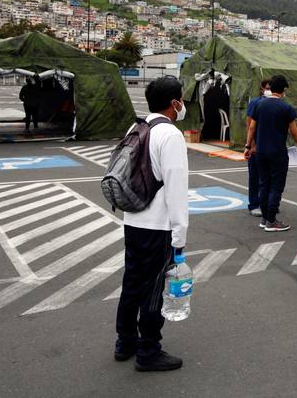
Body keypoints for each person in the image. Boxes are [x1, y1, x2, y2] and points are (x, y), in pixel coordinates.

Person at [115, 76, 189, 372]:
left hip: (132, 219)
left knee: (132, 282)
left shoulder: (137, 127)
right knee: (154, 289)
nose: (183, 105)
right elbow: (176, 189)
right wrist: (180, 235)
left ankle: (125, 341)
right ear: (174, 103)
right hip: (159, 227)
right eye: (182, 99)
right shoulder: (170, 135)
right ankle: (149, 350)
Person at [243, 74, 297, 232]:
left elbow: (252, 127)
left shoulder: (259, 105)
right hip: (277, 152)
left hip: (261, 151)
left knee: (263, 183)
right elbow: (294, 132)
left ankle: (265, 218)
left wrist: (247, 146)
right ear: (283, 90)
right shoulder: (286, 108)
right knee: (276, 186)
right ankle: (272, 220)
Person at [244, 79, 272, 217]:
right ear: (262, 88)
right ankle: (254, 204)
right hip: (256, 147)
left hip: (269, 147)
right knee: (255, 177)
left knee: (267, 178)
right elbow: (249, 124)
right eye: (267, 88)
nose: (269, 90)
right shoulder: (255, 102)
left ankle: (266, 204)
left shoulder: (277, 103)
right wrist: (251, 145)